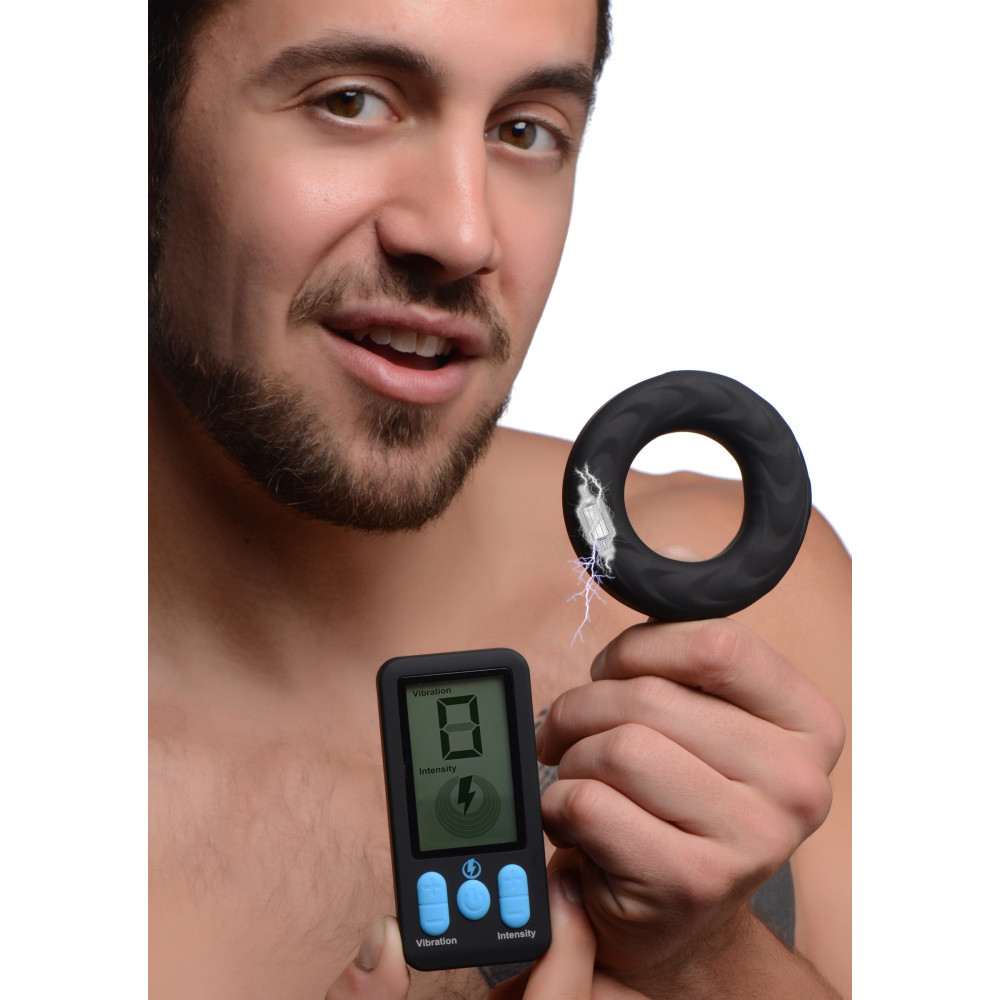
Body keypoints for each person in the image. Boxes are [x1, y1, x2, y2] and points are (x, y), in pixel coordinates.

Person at [148, 0, 851, 997]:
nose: (463, 233)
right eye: (350, 102)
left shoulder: (763, 619)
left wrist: (708, 959)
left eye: (526, 129)